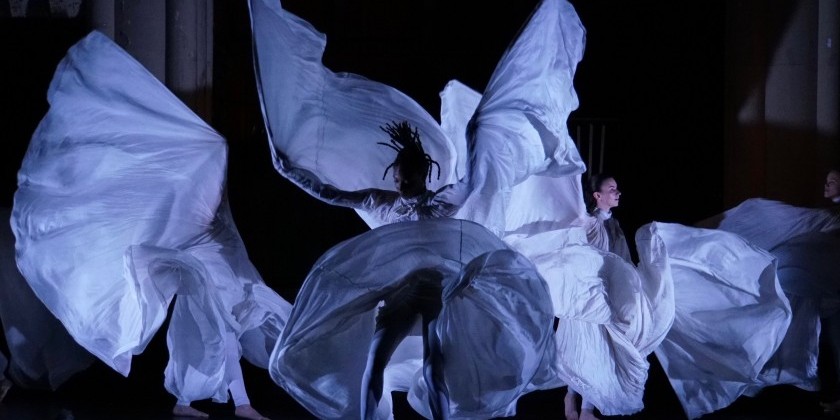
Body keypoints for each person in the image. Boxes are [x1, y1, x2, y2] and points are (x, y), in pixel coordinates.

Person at [11, 32, 291, 420]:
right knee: (222, 327)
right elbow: (196, 216)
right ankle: (234, 403)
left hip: (219, 256)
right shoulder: (205, 171)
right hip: (204, 258)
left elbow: (212, 218)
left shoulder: (213, 178)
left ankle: (191, 401)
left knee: (219, 328)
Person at [268, 121, 555, 419]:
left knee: (434, 367)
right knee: (374, 362)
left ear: (422, 176)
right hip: (399, 294)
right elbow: (332, 194)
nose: (400, 187)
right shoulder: (381, 202)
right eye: (396, 180)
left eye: (406, 181)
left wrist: (474, 143)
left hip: (435, 292)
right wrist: (291, 173)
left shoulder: (437, 204)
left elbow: (470, 184)